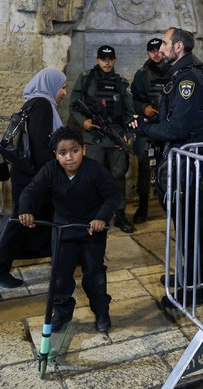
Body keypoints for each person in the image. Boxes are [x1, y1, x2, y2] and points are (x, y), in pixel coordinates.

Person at [130, 27, 203, 302]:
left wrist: (146, 129)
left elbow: (177, 128)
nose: (162, 48)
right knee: (185, 224)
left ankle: (194, 290)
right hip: (187, 162)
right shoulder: (181, 73)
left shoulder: (187, 79)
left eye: (166, 43)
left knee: (192, 226)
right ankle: (187, 276)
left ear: (178, 46)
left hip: (193, 165)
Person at [17, 125, 121, 333]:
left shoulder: (95, 171)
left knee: (94, 274)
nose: (70, 158)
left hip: (92, 229)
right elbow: (31, 191)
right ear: (55, 155)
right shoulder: (50, 170)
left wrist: (101, 218)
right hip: (63, 228)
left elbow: (112, 196)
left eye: (74, 151)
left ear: (83, 149)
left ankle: (101, 311)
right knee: (60, 275)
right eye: (63, 153)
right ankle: (62, 313)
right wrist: (26, 210)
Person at [0, 67, 68, 289]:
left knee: (50, 216)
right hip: (34, 176)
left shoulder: (35, 102)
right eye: (62, 87)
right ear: (51, 85)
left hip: (29, 173)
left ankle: (62, 262)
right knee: (22, 220)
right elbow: (41, 146)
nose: (63, 92)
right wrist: (51, 175)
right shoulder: (42, 105)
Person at [69, 45, 136, 233]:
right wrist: (84, 122)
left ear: (114, 60)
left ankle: (120, 213)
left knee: (118, 175)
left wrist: (126, 136)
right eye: (103, 59)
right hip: (93, 137)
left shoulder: (121, 83)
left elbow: (130, 114)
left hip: (115, 137)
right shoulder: (85, 79)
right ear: (97, 60)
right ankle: (94, 214)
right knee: (93, 175)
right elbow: (74, 105)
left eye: (110, 59)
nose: (107, 63)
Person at [130, 37, 170, 224]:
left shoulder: (173, 71)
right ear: (147, 53)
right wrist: (143, 108)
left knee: (170, 163)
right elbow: (133, 99)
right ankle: (143, 205)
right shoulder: (141, 74)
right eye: (152, 50)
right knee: (145, 164)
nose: (156, 54)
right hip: (148, 125)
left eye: (158, 49)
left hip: (168, 125)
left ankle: (169, 202)